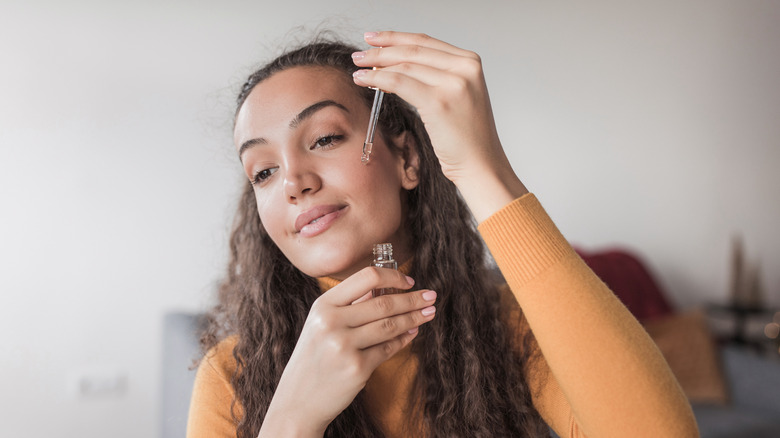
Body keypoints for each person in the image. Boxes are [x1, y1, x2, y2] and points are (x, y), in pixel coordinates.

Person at [187, 31, 699, 438]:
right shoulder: (233, 374)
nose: (295, 183)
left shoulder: (510, 330)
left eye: (324, 138)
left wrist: (482, 167)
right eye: (263, 172)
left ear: (407, 158)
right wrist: (293, 420)